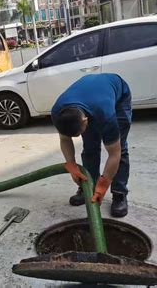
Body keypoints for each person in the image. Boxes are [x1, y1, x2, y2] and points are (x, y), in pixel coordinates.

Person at [51, 73, 132, 217]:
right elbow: (64, 139)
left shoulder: (106, 114)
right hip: (91, 96)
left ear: (84, 120)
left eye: (79, 132)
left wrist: (104, 182)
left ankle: (119, 193)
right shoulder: (58, 112)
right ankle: (89, 187)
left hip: (118, 97)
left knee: (121, 148)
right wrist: (71, 165)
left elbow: (115, 153)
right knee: (90, 147)